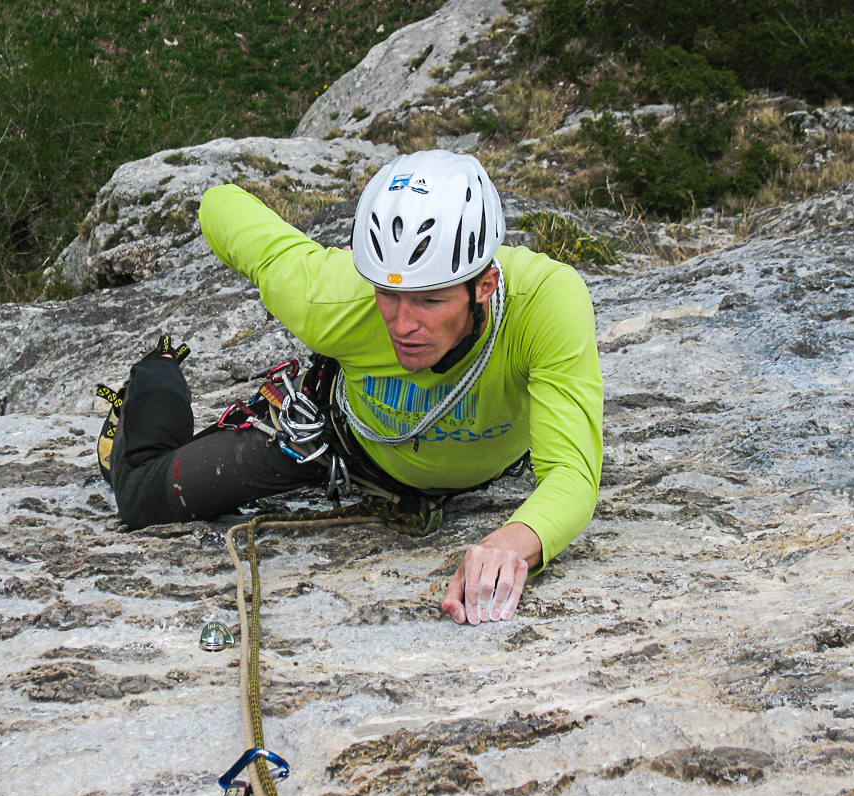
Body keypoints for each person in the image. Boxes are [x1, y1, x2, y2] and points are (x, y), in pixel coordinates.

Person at [99, 150, 602, 626]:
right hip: (331, 439)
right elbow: (218, 205)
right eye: (388, 292)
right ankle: (157, 371)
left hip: (464, 457)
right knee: (144, 498)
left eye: (429, 301)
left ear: (485, 286)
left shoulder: (544, 305)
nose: (403, 324)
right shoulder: (334, 298)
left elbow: (572, 473)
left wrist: (515, 542)